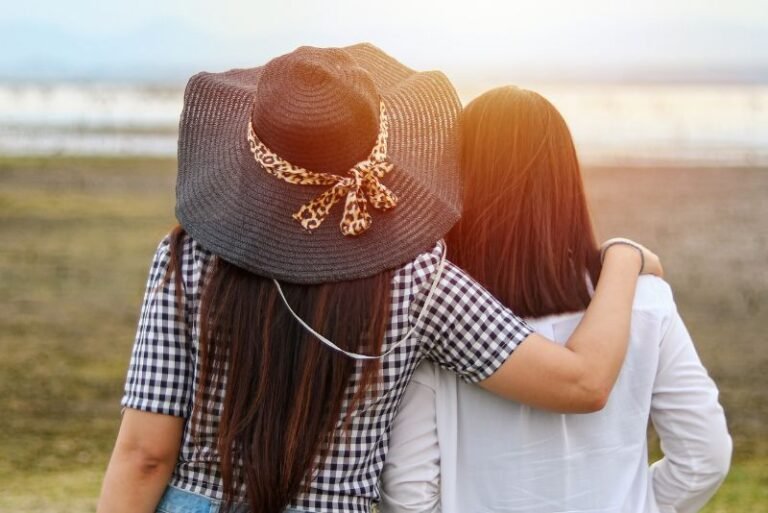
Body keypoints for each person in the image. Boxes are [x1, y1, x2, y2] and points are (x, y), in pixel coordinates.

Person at [97, 47, 661, 513]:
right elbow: (581, 383)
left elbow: (144, 455)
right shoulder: (419, 278)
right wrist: (623, 259)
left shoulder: (189, 257)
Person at [380, 86, 732, 513]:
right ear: (567, 179)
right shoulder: (645, 301)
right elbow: (704, 455)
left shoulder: (442, 311)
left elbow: (408, 491)